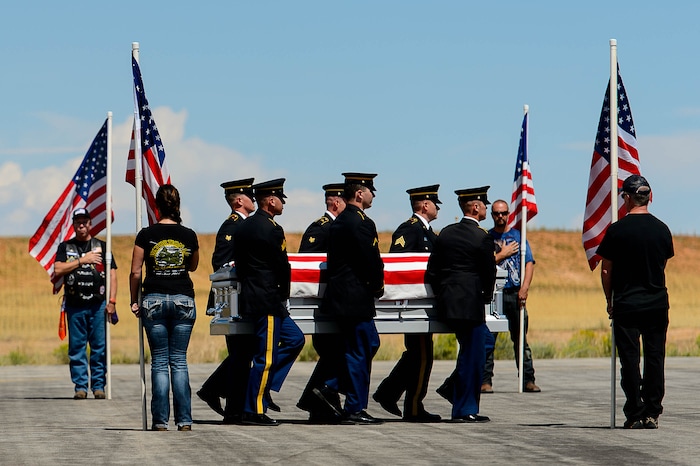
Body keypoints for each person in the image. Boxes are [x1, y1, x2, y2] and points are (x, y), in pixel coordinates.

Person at [597, 175, 674, 429]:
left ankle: (635, 411)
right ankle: (653, 411)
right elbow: (663, 262)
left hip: (627, 304)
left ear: (627, 198)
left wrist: (610, 299)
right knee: (655, 358)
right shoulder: (662, 229)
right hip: (656, 302)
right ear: (649, 198)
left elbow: (606, 269)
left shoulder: (617, 231)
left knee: (629, 360)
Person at [233, 178, 305, 426]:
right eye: (281, 200)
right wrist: (284, 294)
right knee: (266, 357)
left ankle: (265, 387)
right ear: (272, 201)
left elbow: (240, 266)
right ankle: (253, 410)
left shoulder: (243, 228)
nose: (283, 204)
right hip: (268, 300)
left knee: (296, 339)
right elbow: (281, 266)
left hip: (253, 297)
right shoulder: (273, 229)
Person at [129, 184, 199, 431]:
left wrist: (133, 300)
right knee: (179, 361)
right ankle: (185, 421)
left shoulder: (145, 234)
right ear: (177, 205)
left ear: (157, 206)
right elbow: (193, 266)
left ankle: (160, 421)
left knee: (159, 361)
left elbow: (136, 271)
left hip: (154, 299)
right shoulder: (189, 234)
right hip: (183, 299)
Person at [316, 172, 384, 425]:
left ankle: (331, 386)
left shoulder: (341, 221)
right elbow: (370, 261)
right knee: (361, 350)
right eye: (370, 191)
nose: (373, 195)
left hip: (343, 297)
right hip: (355, 298)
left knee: (366, 346)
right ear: (359, 194)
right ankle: (352, 406)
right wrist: (378, 286)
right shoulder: (361, 223)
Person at [426, 186, 495, 423]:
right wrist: (485, 296)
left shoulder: (445, 233)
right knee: (472, 353)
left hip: (448, 302)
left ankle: (452, 388)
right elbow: (489, 273)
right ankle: (464, 409)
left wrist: (442, 294)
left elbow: (432, 270)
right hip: (469, 304)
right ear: (475, 207)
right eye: (484, 204)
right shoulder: (482, 237)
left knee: (484, 342)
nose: (486, 207)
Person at [373, 185, 442, 422]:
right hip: (413, 305)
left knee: (418, 354)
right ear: (424, 205)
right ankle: (412, 407)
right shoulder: (409, 229)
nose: (438, 207)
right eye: (435, 203)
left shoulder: (430, 233)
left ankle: (389, 392)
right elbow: (398, 264)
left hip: (423, 304)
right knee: (421, 355)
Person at [197, 178, 257, 424]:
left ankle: (233, 405)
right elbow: (222, 264)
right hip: (232, 298)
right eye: (251, 196)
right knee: (242, 353)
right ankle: (220, 396)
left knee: (244, 353)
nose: (254, 200)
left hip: (239, 297)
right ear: (240, 200)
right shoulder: (232, 226)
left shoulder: (243, 225)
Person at [295, 183, 350, 424]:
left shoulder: (337, 227)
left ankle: (319, 406)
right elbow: (307, 265)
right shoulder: (321, 228)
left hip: (334, 303)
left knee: (335, 354)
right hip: (322, 305)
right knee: (335, 352)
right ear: (336, 203)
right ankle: (318, 402)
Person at [53, 207, 117, 400]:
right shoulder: (66, 247)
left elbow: (113, 274)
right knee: (76, 348)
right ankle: (80, 386)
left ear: (90, 223)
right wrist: (82, 260)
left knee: (99, 347)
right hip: (74, 306)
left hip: (98, 305)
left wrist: (112, 301)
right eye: (78, 222)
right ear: (73, 224)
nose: (81, 225)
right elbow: (58, 269)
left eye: (85, 222)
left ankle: (98, 386)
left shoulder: (102, 246)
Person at [481, 199, 540, 394]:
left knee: (520, 339)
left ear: (508, 214)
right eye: (496, 213)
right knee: (489, 338)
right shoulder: (487, 238)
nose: (500, 217)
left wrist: (525, 288)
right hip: (493, 295)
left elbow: (529, 263)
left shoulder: (518, 236)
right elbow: (483, 263)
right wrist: (502, 253)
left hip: (515, 293)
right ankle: (485, 380)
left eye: (503, 213)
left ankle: (527, 379)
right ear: (492, 215)